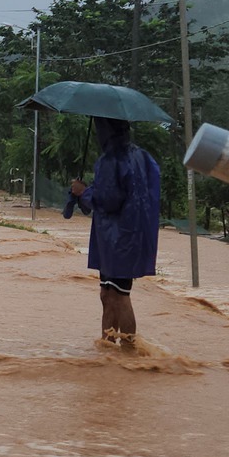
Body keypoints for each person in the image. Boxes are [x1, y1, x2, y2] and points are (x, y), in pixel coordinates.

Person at [69, 116, 161, 343]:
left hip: (117, 239)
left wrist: (83, 192)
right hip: (131, 236)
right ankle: (108, 348)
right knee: (108, 293)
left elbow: (108, 200)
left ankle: (129, 351)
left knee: (119, 295)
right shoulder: (142, 157)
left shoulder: (111, 160)